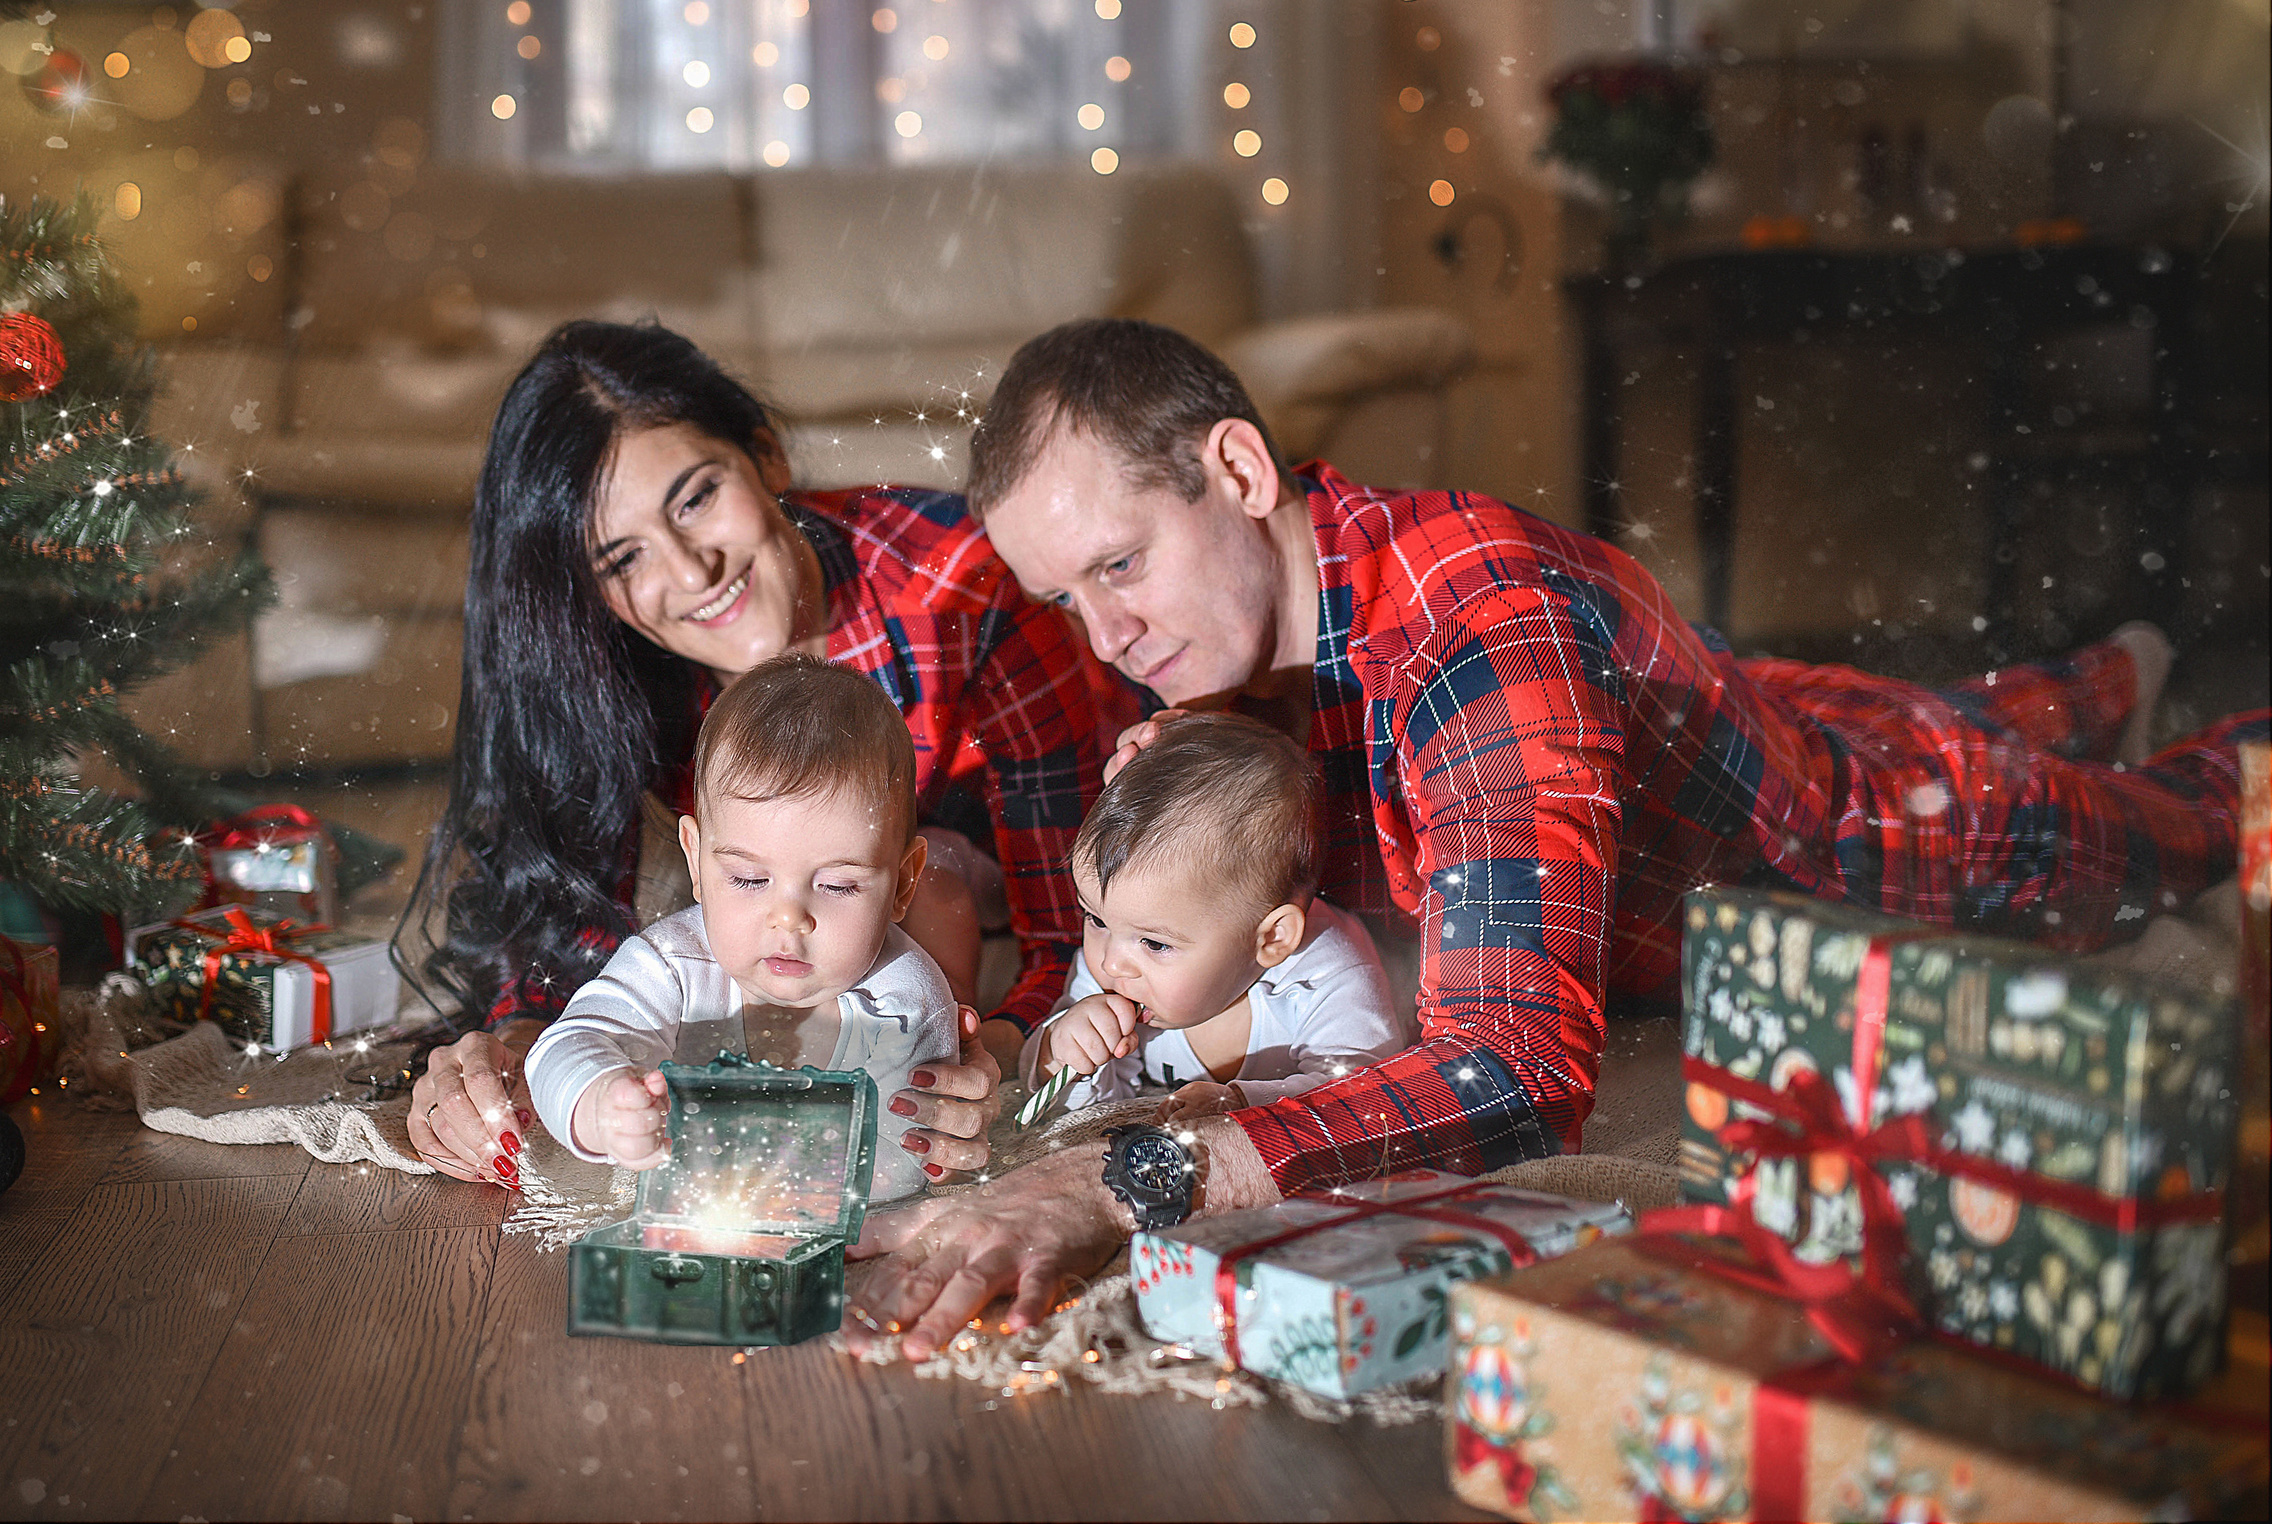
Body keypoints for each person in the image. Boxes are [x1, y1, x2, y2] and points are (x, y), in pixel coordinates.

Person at [840, 315, 2264, 1359]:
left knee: (2187, 821)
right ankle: (2097, 676)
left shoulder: (1482, 635)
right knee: (1933, 696)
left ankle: (2143, 704)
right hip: (1724, 711)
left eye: (1121, 566)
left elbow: (1510, 1068)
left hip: (1867, 835)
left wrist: (1113, 1176)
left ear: (1239, 468)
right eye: (1067, 600)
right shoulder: (1223, 653)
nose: (1109, 637)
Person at [404, 321, 1128, 1191]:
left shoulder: (962, 586)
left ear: (765, 458)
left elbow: (1071, 930)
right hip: (776, 894)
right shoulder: (605, 663)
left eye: (695, 498)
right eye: (623, 556)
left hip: (968, 871)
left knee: (933, 893)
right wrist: (520, 1050)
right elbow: (572, 933)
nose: (690, 569)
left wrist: (984, 1062)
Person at [529, 655, 960, 1204]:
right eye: (750, 878)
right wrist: (601, 1102)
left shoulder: (908, 999)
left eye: (838, 886)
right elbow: (566, 1045)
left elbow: (909, 1163)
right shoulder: (672, 965)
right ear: (696, 861)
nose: (788, 917)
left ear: (903, 883)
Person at [1019, 713, 1402, 1120]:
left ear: (1271, 939)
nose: (1111, 962)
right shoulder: (1118, 957)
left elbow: (1364, 1099)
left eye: (1155, 943)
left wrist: (1242, 1104)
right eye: (1095, 919)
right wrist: (1062, 1053)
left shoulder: (1331, 978)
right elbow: (1073, 1110)